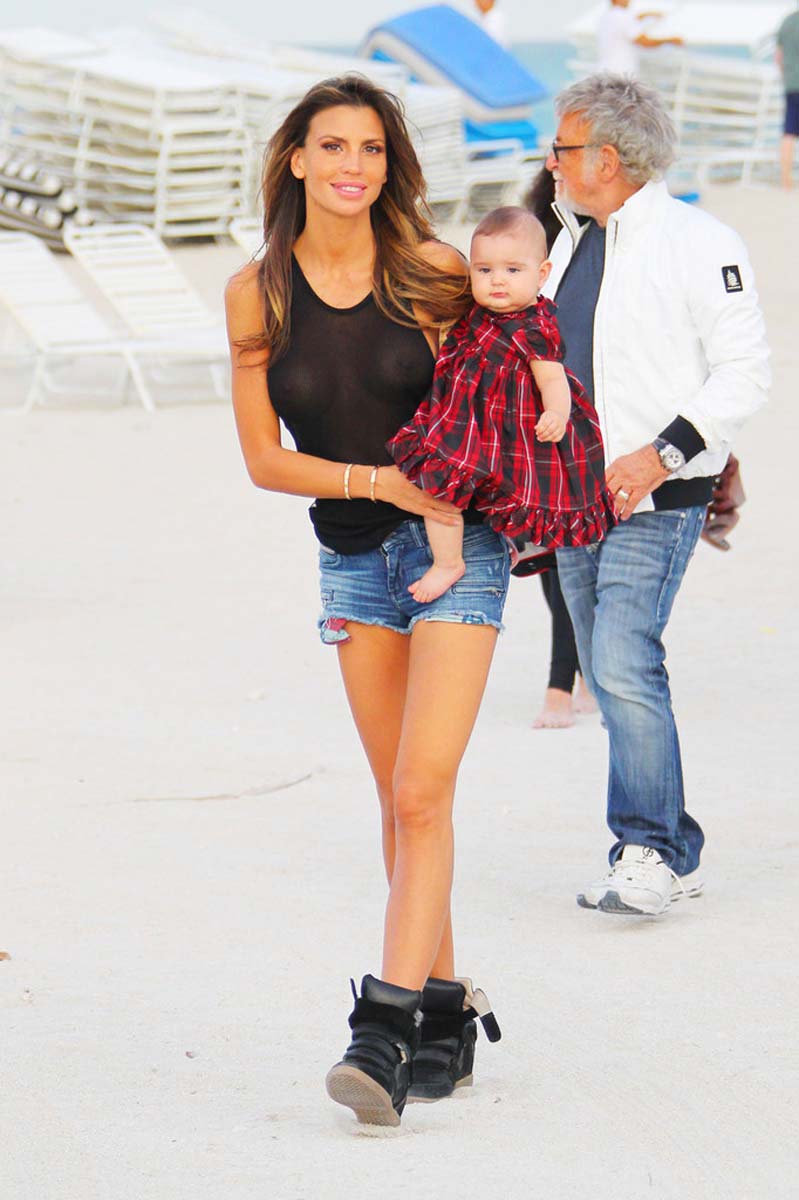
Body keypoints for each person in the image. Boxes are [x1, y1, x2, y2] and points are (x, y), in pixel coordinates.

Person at [225, 75, 506, 1129]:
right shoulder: (257, 294)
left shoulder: (433, 272)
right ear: (296, 159)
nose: (353, 165)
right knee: (399, 801)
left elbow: (511, 372)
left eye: (373, 149)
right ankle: (445, 1005)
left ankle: (380, 1029)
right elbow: (264, 460)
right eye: (333, 145)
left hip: (454, 553)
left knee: (423, 790)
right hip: (349, 560)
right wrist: (380, 482)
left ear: (391, 167)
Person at [543, 74, 770, 916]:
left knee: (621, 661)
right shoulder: (568, 242)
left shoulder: (698, 241)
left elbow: (744, 371)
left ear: (606, 158)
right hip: (573, 498)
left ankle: (646, 850)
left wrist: (660, 456)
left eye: (561, 147)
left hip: (659, 491)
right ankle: (671, 848)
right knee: (609, 673)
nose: (550, 161)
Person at [387, 207, 616, 605]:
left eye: (512, 270)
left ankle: (501, 548)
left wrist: (556, 413)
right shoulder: (476, 311)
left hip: (508, 428)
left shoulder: (534, 326)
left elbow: (553, 378)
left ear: (541, 274)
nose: (497, 280)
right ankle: (450, 560)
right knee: (439, 486)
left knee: (518, 494)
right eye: (484, 270)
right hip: (463, 419)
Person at [597, 0, 683, 77]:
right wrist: (671, 40)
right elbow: (645, 42)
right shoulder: (623, 16)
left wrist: (645, 15)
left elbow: (628, 22)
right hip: (620, 73)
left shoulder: (607, 16)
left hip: (605, 71)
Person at [776, 4, 799, 189]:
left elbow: (778, 57)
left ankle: (786, 181)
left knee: (789, 133)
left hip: (791, 84)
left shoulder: (787, 22)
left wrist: (787, 75)